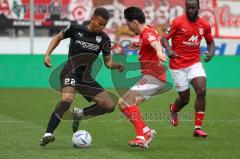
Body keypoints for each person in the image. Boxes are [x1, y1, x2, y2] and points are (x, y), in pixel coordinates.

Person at [39, 7, 124, 146]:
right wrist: (47, 54)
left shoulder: (104, 38)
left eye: (104, 25)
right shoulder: (74, 28)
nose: (101, 27)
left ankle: (80, 114)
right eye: (99, 23)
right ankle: (48, 134)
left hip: (86, 78)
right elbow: (58, 37)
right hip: (69, 72)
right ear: (92, 18)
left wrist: (118, 65)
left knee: (109, 105)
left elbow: (108, 63)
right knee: (67, 98)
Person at [161, 0, 215, 138]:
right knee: (184, 99)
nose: (190, 10)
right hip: (178, 65)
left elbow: (210, 42)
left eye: (193, 8)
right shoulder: (178, 22)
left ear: (198, 8)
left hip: (194, 63)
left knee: (201, 90)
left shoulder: (204, 24)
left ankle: (197, 127)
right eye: (188, 8)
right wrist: (169, 50)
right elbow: (164, 38)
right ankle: (173, 109)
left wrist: (211, 52)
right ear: (185, 8)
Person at [117, 7, 168, 149]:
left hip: (154, 77)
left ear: (134, 22)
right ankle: (146, 131)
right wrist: (140, 46)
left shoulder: (147, 33)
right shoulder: (148, 32)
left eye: (128, 23)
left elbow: (155, 43)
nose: (127, 27)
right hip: (152, 77)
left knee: (129, 100)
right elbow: (151, 41)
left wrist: (158, 52)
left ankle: (141, 137)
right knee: (122, 103)